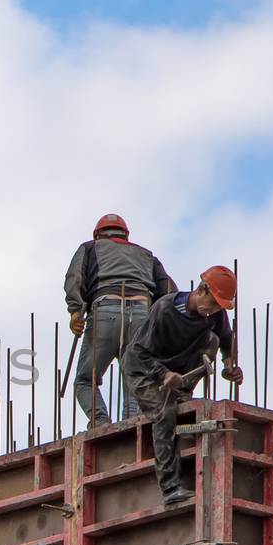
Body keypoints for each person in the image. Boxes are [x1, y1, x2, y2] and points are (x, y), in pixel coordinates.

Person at [123, 266, 244, 506]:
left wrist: (230, 365)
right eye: (213, 302)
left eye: (220, 306)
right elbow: (138, 353)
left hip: (177, 372)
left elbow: (227, 342)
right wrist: (164, 374)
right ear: (201, 290)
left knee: (212, 339)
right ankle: (170, 488)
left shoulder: (214, 314)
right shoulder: (164, 309)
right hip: (144, 371)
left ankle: (182, 393)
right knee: (165, 413)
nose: (215, 310)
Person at [63, 213, 176, 427]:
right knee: (134, 375)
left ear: (98, 235)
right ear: (126, 235)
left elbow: (74, 279)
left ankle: (100, 422)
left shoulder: (89, 248)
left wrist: (75, 312)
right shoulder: (147, 255)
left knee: (85, 379)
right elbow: (169, 293)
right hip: (142, 314)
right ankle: (131, 424)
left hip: (106, 310)